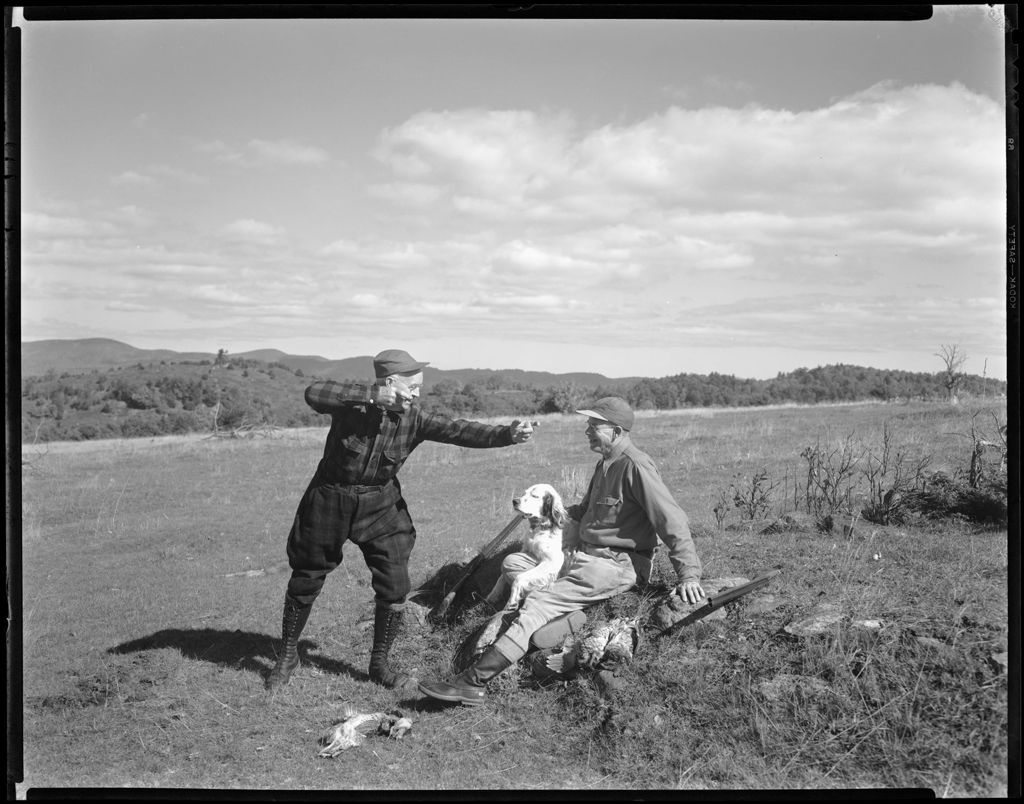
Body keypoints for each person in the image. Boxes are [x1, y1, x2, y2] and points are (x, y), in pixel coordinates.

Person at [266, 348, 534, 692]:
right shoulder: (353, 405)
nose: (418, 393)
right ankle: (288, 654)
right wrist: (369, 395)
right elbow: (314, 393)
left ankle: (379, 664)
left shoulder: (415, 417)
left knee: (395, 583)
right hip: (330, 497)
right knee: (307, 574)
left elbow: (459, 431)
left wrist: (507, 435)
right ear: (390, 383)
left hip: (381, 503)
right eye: (413, 386)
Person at [418, 396, 705, 705]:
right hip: (586, 557)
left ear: (617, 431)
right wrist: (546, 510)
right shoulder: (605, 463)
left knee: (536, 602)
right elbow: (584, 512)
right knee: (515, 563)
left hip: (614, 565)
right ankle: (567, 616)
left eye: (595, 425)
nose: (587, 430)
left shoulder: (636, 467)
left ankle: (472, 683)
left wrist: (689, 574)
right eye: (588, 423)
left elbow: (672, 519)